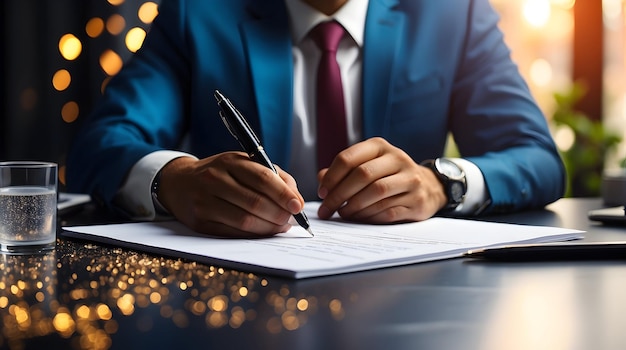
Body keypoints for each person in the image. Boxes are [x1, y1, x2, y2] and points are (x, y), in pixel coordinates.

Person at [66, 0, 565, 237]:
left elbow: (536, 157)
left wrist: (440, 183)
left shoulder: (453, 14)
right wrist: (174, 180)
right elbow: (102, 143)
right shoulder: (196, 13)